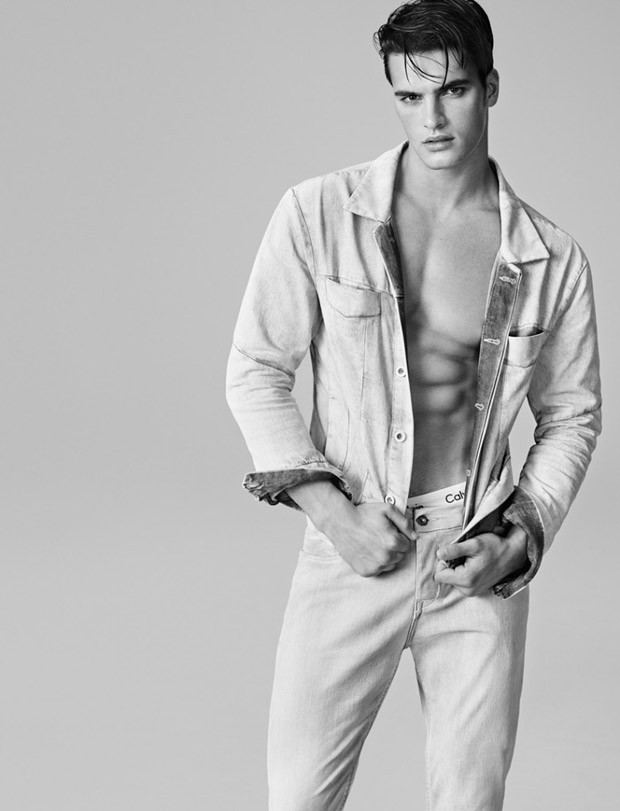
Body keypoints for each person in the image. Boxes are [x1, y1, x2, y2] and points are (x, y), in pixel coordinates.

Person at [225, 0, 602, 808]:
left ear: (490, 87)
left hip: (476, 557)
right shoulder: (318, 216)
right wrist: (336, 516)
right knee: (298, 797)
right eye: (408, 96)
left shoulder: (551, 259)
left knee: (471, 800)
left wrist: (517, 538)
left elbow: (572, 416)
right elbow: (254, 370)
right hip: (355, 540)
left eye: (453, 91)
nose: (431, 119)